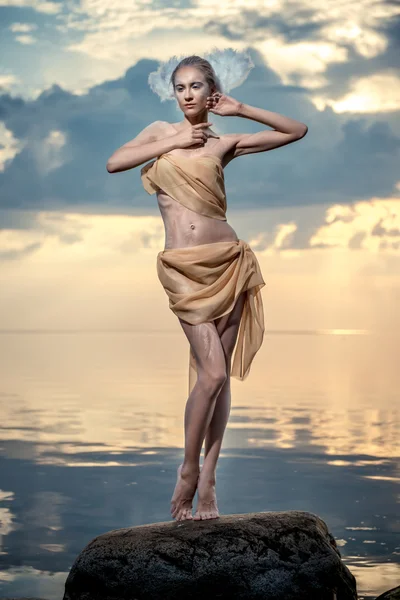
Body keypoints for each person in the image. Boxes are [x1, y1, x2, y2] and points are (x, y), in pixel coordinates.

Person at [106, 50, 308, 522]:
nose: (187, 95)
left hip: (229, 263)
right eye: (180, 87)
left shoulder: (222, 144)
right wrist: (177, 136)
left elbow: (295, 130)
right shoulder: (160, 134)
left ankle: (211, 481)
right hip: (183, 269)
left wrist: (242, 110)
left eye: (196, 86)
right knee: (212, 374)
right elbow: (115, 163)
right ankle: (188, 472)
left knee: (215, 380)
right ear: (172, 93)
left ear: (210, 91)